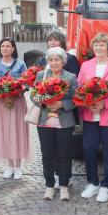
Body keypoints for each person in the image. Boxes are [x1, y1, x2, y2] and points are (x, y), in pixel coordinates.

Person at [77, 33, 108, 202]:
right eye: (96, 45)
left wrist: (105, 104)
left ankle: (106, 186)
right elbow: (79, 87)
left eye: (102, 45)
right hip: (91, 114)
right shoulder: (86, 65)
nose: (98, 48)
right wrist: (87, 103)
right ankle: (93, 183)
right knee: (89, 148)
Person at [31, 47, 78, 201]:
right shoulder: (41, 75)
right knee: (47, 155)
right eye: (51, 60)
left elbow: (76, 100)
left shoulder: (70, 77)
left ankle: (64, 185)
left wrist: (61, 104)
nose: (54, 63)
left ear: (63, 61)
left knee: (64, 154)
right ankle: (49, 185)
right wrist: (43, 101)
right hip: (45, 121)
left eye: (57, 59)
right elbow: (33, 95)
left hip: (64, 121)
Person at [0, 38, 30, 179]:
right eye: (3, 46)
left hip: (18, 102)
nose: (5, 48)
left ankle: (18, 166)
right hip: (2, 103)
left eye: (8, 46)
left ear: (13, 49)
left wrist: (17, 92)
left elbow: (26, 82)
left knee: (18, 132)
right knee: (5, 132)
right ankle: (8, 165)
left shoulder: (20, 64)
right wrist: (1, 92)